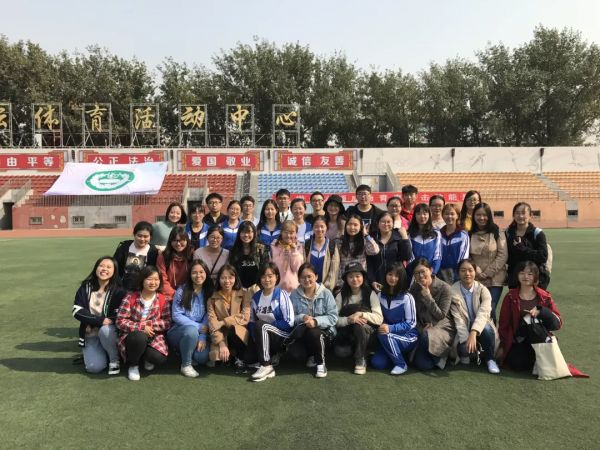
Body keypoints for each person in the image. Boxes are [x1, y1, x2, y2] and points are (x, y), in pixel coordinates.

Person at [498, 261, 562, 371]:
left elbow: (557, 323)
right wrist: (503, 346)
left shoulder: (545, 296)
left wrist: (541, 311)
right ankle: (534, 359)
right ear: (517, 275)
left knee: (532, 321)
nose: (525, 276)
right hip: (520, 338)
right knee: (516, 364)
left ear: (535, 276)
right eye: (522, 273)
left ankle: (540, 356)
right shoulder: (510, 296)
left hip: (540, 337)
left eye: (530, 274)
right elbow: (504, 324)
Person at [116, 266, 171, 381]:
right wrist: (141, 327)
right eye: (149, 279)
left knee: (159, 358)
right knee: (139, 336)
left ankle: (144, 358)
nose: (153, 283)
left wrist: (149, 325)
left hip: (153, 336)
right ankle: (133, 365)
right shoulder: (130, 297)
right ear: (142, 280)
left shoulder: (163, 299)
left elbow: (167, 322)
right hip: (132, 336)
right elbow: (120, 321)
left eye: (156, 279)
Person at [72, 256, 126, 375]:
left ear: (114, 271)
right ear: (96, 268)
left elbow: (121, 314)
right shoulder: (85, 287)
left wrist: (107, 321)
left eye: (109, 267)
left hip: (110, 333)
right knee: (94, 368)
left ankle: (114, 360)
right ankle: (100, 354)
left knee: (106, 330)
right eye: (101, 266)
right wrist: (99, 320)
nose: (104, 269)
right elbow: (77, 310)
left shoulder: (119, 290)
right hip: (91, 334)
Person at [450, 259, 501, 374]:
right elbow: (458, 320)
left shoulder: (483, 290)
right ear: (458, 273)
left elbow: (484, 314)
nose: (467, 273)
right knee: (464, 350)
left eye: (470, 270)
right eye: (463, 270)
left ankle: (490, 359)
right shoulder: (452, 291)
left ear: (475, 272)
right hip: (463, 328)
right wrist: (466, 340)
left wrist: (473, 332)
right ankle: (470, 353)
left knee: (486, 329)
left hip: (481, 327)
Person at [167, 260, 215, 377]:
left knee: (201, 357)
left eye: (201, 272)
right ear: (189, 274)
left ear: (206, 273)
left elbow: (208, 315)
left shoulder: (209, 291)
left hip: (199, 332)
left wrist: (202, 336)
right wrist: (198, 327)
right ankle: (186, 365)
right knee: (191, 331)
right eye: (194, 272)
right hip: (179, 331)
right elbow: (176, 315)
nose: (198, 275)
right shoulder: (182, 290)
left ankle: (186, 352)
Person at [290, 263, 338, 378]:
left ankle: (321, 364)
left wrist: (316, 321)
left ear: (316, 276)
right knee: (296, 354)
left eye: (309, 276)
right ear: (299, 279)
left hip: (324, 333)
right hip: (303, 335)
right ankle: (312, 355)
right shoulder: (294, 295)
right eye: (303, 277)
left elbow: (333, 317)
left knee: (314, 332)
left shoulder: (326, 293)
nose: (306, 280)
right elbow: (290, 317)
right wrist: (302, 317)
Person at [248, 263, 295, 382]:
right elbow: (251, 321)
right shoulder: (256, 297)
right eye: (263, 276)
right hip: (262, 335)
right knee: (248, 358)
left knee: (261, 325)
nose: (267, 279)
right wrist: (254, 336)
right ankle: (269, 359)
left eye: (270, 276)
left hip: (281, 335)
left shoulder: (281, 294)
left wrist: (268, 326)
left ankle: (266, 366)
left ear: (276, 277)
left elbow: (289, 322)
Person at [334, 262, 383, 375]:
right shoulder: (340, 295)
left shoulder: (371, 294)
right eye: (350, 276)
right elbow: (333, 319)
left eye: (357, 276)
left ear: (363, 277)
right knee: (341, 353)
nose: (354, 279)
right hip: (347, 333)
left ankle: (360, 358)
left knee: (359, 325)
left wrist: (361, 314)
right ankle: (357, 349)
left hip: (366, 332)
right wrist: (349, 320)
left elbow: (379, 318)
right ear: (346, 279)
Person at [409, 258, 456, 370]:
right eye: (417, 273)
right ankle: (437, 358)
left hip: (442, 327)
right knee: (422, 365)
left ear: (430, 270)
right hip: (424, 328)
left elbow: (441, 315)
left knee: (426, 337)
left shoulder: (445, 288)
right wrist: (421, 328)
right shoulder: (414, 289)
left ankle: (443, 353)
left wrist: (427, 296)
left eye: (423, 271)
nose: (420, 276)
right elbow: (413, 314)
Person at [371, 263, 418, 375]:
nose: (393, 278)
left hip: (408, 337)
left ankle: (401, 364)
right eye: (390, 274)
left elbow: (411, 323)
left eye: (397, 276)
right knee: (377, 363)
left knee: (383, 335)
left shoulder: (407, 297)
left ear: (402, 278)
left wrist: (390, 328)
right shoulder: (380, 295)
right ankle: (396, 353)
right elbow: (378, 317)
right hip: (387, 336)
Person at [206, 264, 252, 372]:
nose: (227, 281)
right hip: (221, 334)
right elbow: (212, 323)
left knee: (235, 329)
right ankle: (228, 353)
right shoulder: (212, 298)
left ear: (235, 278)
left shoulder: (244, 293)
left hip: (239, 333)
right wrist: (221, 343)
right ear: (219, 279)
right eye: (223, 278)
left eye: (230, 277)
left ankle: (239, 358)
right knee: (217, 358)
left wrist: (223, 322)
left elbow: (245, 317)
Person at [469, 202, 507, 322]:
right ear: (474, 216)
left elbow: (503, 255)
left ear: (489, 216)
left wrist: (487, 273)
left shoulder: (497, 231)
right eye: (478, 215)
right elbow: (467, 256)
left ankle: (493, 333)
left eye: (484, 215)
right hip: (476, 277)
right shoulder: (469, 233)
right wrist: (477, 270)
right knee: (476, 309)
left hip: (495, 279)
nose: (481, 218)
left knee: (490, 309)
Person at [505, 202, 550, 290]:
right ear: (513, 215)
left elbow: (543, 256)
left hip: (535, 279)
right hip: (515, 279)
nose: (520, 216)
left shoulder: (537, 233)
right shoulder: (508, 233)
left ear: (530, 215)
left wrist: (522, 248)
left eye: (523, 213)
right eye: (517, 213)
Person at [367, 211, 411, 292]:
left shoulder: (399, 236)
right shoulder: (372, 238)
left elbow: (407, 256)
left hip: (396, 279)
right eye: (383, 222)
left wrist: (405, 238)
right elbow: (369, 262)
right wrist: (372, 280)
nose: (386, 224)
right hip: (378, 280)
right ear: (377, 223)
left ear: (393, 223)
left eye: (389, 222)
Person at [336, 214, 380, 289]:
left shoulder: (364, 241)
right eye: (349, 224)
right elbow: (337, 264)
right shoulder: (339, 241)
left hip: (360, 280)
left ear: (361, 227)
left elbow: (375, 251)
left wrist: (366, 235)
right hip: (344, 280)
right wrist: (339, 283)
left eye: (355, 225)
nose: (352, 227)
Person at [113, 221, 159, 291]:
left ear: (151, 237)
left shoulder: (153, 251)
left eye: (146, 236)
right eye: (139, 236)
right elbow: (115, 266)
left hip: (143, 289)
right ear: (134, 234)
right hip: (122, 288)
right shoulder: (124, 247)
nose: (142, 239)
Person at [228, 221, 269, 293]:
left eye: (249, 232)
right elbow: (232, 271)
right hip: (239, 289)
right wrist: (239, 286)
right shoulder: (233, 250)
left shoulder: (261, 249)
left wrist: (258, 286)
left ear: (254, 233)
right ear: (239, 233)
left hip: (257, 289)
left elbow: (265, 269)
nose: (246, 235)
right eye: (243, 232)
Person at [303, 216, 340, 292]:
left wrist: (324, 288)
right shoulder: (307, 245)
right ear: (312, 228)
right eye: (316, 226)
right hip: (309, 288)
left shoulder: (332, 246)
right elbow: (303, 266)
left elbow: (334, 270)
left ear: (327, 228)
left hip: (326, 290)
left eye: (322, 226)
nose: (319, 229)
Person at [156, 226, 194, 299]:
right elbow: (162, 279)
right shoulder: (163, 257)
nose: (178, 244)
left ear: (187, 240)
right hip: (169, 295)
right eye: (175, 240)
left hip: (188, 295)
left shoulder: (193, 255)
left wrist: (186, 294)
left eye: (181, 240)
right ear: (170, 241)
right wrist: (175, 295)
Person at [407, 203, 442, 279]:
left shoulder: (436, 233)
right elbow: (410, 257)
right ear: (415, 216)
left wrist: (432, 272)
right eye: (418, 214)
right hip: (414, 274)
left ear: (429, 215)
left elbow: (438, 255)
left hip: (431, 274)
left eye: (425, 213)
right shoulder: (410, 234)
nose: (422, 216)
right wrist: (416, 273)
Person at [438, 203, 470, 284]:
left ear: (457, 216)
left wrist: (458, 273)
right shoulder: (438, 234)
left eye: (452, 214)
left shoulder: (463, 235)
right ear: (442, 216)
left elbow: (464, 257)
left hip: (457, 274)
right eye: (446, 214)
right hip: (440, 274)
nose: (449, 216)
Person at [270, 221, 305, 293]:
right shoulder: (274, 246)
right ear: (281, 232)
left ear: (296, 233)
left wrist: (294, 251)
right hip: (277, 288)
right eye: (286, 232)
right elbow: (273, 267)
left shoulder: (299, 247)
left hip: (294, 289)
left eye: (292, 233)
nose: (288, 235)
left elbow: (298, 268)